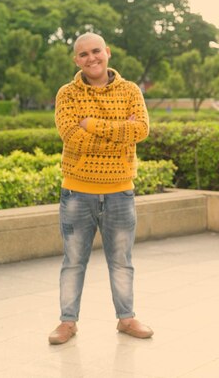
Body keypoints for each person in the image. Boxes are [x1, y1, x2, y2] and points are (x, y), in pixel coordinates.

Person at [48, 32, 153, 345]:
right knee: (73, 261)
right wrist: (120, 132)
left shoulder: (131, 90)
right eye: (83, 54)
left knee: (121, 260)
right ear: (76, 60)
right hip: (77, 193)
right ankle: (67, 322)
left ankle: (126, 318)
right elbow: (70, 135)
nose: (91, 58)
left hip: (120, 191)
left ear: (107, 52)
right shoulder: (67, 94)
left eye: (96, 51)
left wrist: (91, 124)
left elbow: (141, 130)